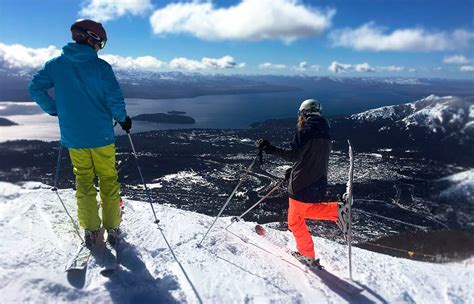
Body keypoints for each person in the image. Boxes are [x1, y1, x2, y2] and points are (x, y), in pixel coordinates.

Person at [28, 19, 132, 248]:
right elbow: (114, 99)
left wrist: (54, 109)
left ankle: (91, 230)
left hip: (74, 137)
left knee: (83, 180)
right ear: (91, 38)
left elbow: (34, 87)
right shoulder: (101, 68)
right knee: (108, 179)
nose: (100, 47)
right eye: (101, 43)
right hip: (102, 137)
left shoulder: (55, 65)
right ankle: (113, 228)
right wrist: (123, 119)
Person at [256, 99, 349, 266]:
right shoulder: (325, 133)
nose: (299, 118)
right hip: (318, 181)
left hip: (302, 183)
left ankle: (309, 252)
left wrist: (269, 149)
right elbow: (311, 158)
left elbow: (293, 155)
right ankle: (337, 211)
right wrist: (294, 171)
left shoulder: (305, 131)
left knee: (296, 219)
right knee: (302, 213)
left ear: (304, 114)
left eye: (300, 115)